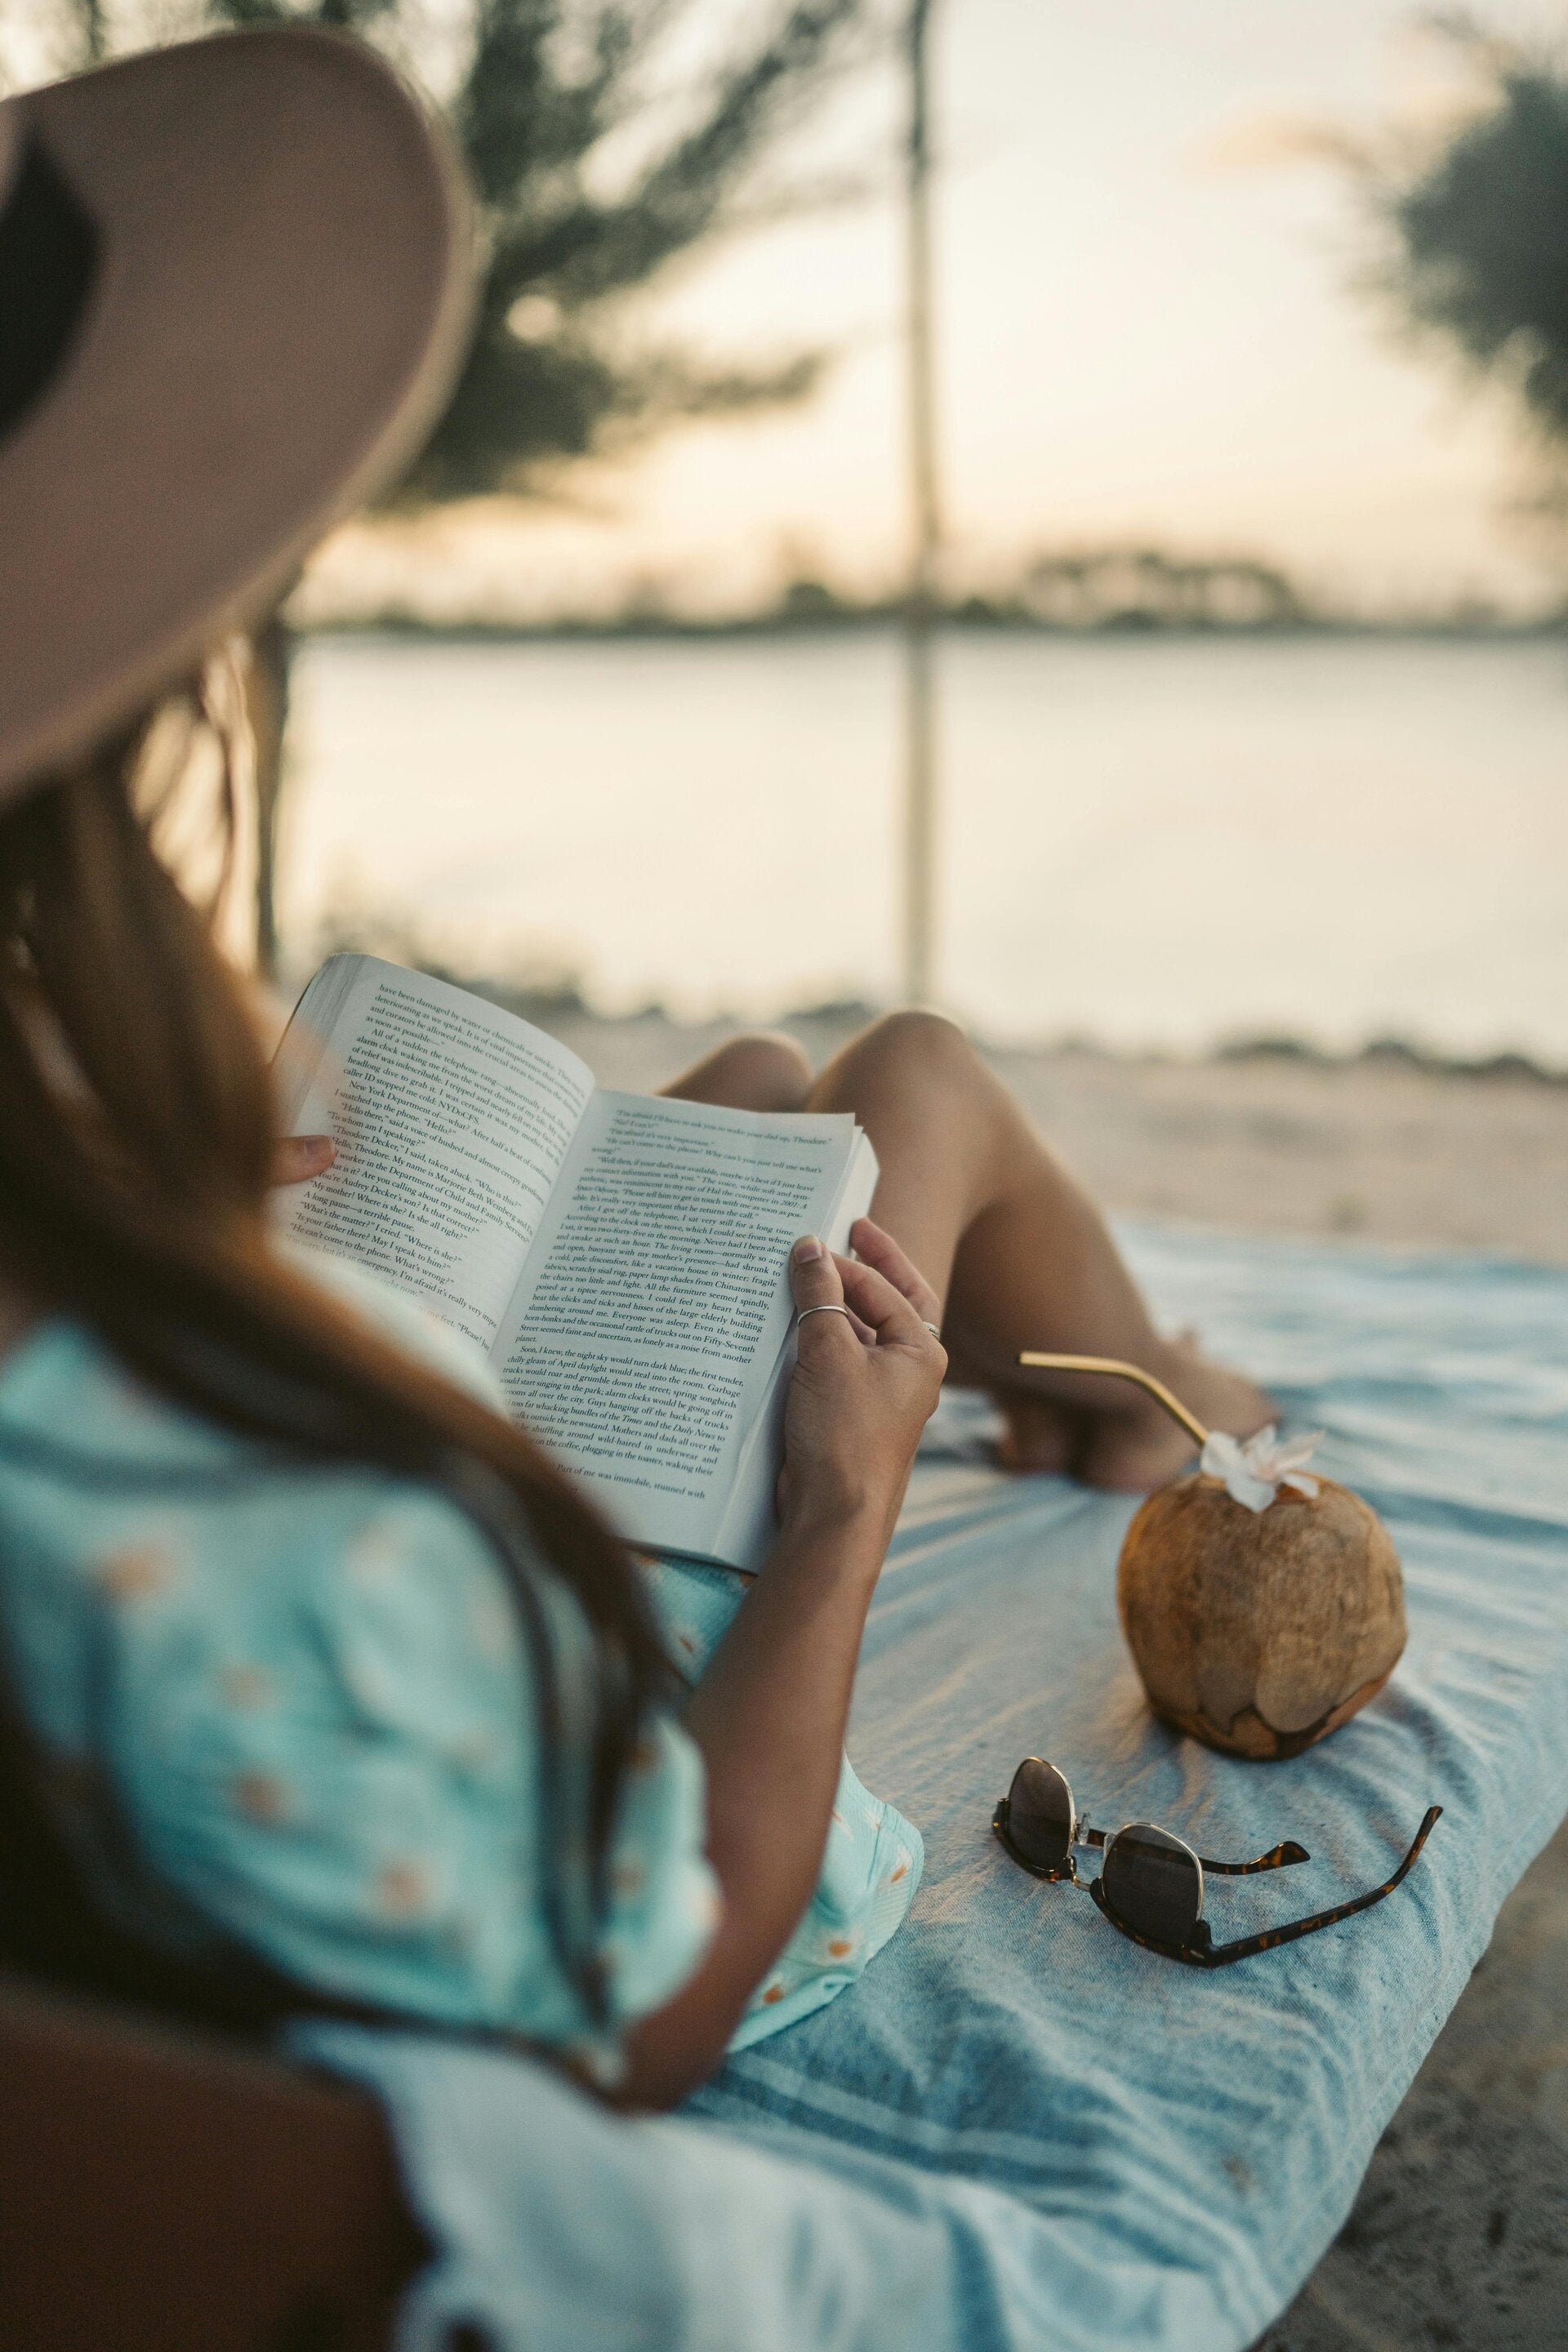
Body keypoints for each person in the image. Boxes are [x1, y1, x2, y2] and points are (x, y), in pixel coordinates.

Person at [0, 29, 1266, 2114]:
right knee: (911, 1081)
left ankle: (1091, 1390)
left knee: (764, 1085)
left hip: (408, 1495)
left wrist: (178, 1219)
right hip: (675, 1792)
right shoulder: (188, 1509)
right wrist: (851, 1505)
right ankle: (1149, 1415)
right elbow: (645, 1987)